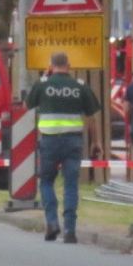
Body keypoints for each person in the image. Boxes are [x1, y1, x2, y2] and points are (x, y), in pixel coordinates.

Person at [25, 51, 101, 243]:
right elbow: (91, 117)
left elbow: (27, 105)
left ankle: (52, 222)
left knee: (47, 182)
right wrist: (95, 142)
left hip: (49, 141)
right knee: (70, 185)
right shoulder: (79, 86)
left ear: (51, 66)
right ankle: (70, 230)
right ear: (69, 65)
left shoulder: (43, 84)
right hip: (73, 142)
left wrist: (44, 76)